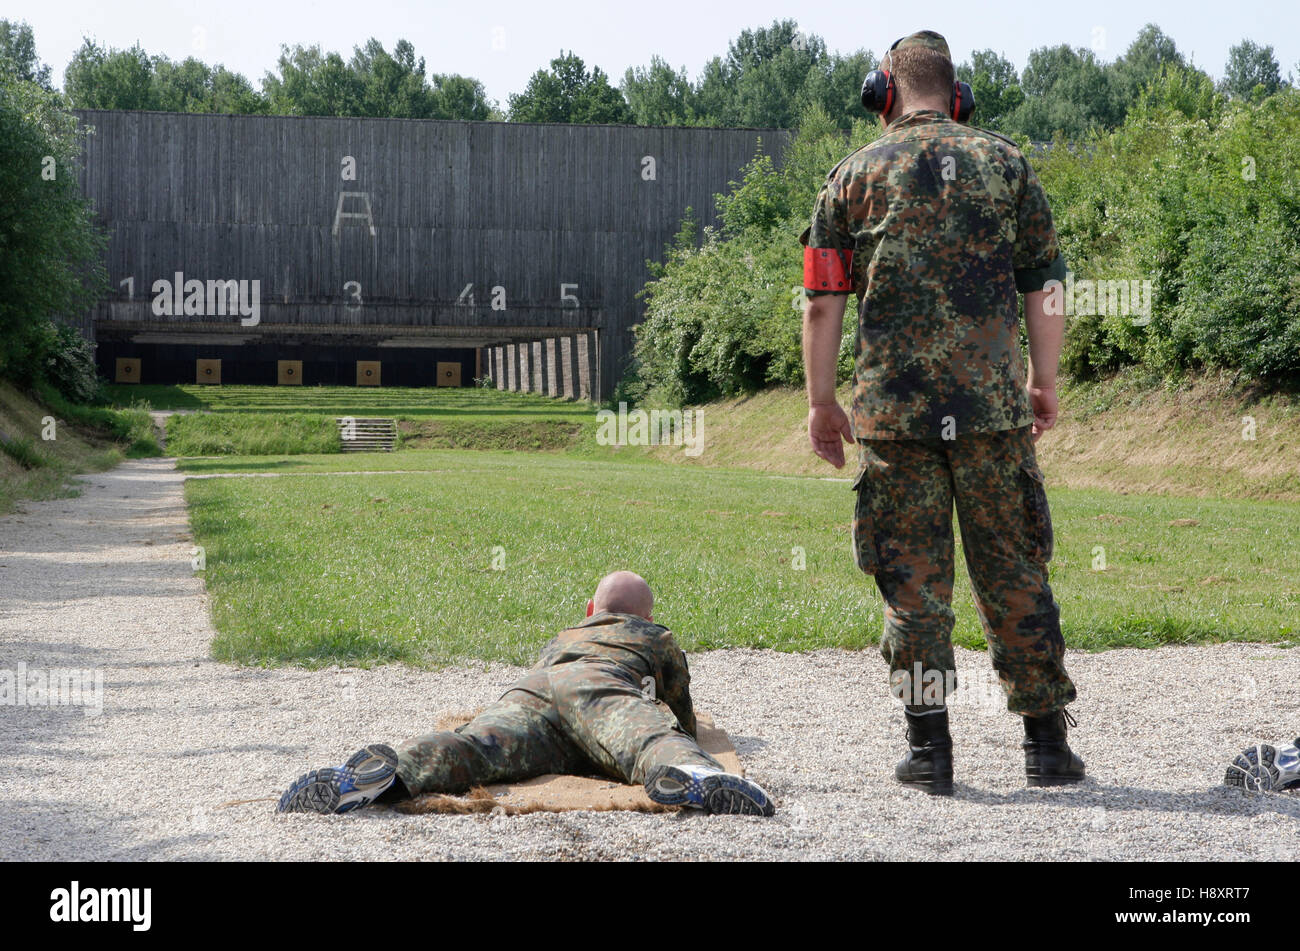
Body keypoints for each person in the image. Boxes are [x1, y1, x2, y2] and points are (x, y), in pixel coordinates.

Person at [799, 30, 1084, 796]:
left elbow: (823, 304)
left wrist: (822, 402)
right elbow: (1046, 286)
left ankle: (930, 753)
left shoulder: (851, 178)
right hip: (992, 412)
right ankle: (1046, 749)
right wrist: (1043, 381)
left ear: (884, 92)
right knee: (1015, 570)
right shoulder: (1007, 163)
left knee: (913, 587)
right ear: (955, 94)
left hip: (894, 418)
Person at [278, 571, 775, 816]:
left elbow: (542, 686)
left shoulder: (563, 637)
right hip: (600, 693)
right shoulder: (651, 635)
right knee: (648, 739)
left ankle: (383, 776)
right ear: (646, 616)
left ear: (588, 609)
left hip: (530, 698)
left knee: (473, 747)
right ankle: (690, 773)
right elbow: (679, 709)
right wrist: (684, 736)